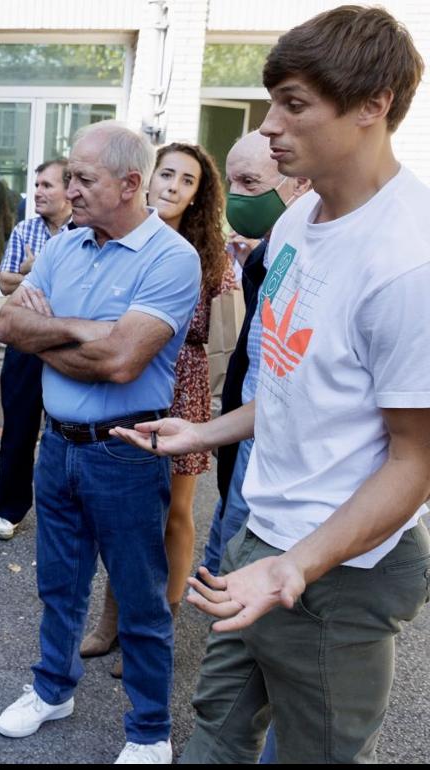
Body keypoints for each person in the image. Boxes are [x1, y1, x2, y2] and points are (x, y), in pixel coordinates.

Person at [112, 8, 430, 763]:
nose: (268, 127)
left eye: (293, 103)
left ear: (372, 104)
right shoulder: (296, 223)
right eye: (270, 103)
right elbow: (293, 385)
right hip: (257, 534)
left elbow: (415, 461)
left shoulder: (408, 262)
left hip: (337, 575)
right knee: (216, 729)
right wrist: (206, 431)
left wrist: (297, 566)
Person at [0, 121, 200, 763]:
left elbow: (121, 364)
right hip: (57, 446)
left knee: (140, 597)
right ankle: (53, 689)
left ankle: (148, 731)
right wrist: (86, 331)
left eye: (84, 179)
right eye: (70, 178)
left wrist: (50, 331)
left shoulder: (171, 257)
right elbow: (5, 322)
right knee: (59, 582)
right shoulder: (65, 244)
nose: (69, 191)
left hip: (125, 449)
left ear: (131, 184)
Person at [80, 143, 236, 677]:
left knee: (174, 514)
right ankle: (110, 621)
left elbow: (223, 342)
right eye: (166, 174)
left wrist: (211, 414)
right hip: (130, 385)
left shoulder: (213, 259)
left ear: (198, 196)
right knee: (120, 513)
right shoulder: (119, 242)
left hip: (184, 391)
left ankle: (155, 627)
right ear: (144, 180)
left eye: (187, 180)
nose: (173, 186)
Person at [201, 130, 310, 576]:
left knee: (239, 561)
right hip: (247, 423)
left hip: (270, 436)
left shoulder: (314, 247)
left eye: (250, 182)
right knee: (225, 536)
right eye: (232, 184)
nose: (237, 197)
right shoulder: (277, 241)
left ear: (298, 183)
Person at [0, 159, 72, 541]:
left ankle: (68, 509)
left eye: (46, 185)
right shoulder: (25, 229)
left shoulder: (85, 231)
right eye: (36, 185)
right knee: (19, 427)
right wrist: (35, 269)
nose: (37, 192)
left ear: (69, 189)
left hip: (67, 341)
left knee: (68, 427)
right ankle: (10, 509)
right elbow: (6, 282)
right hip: (25, 343)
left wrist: (35, 270)